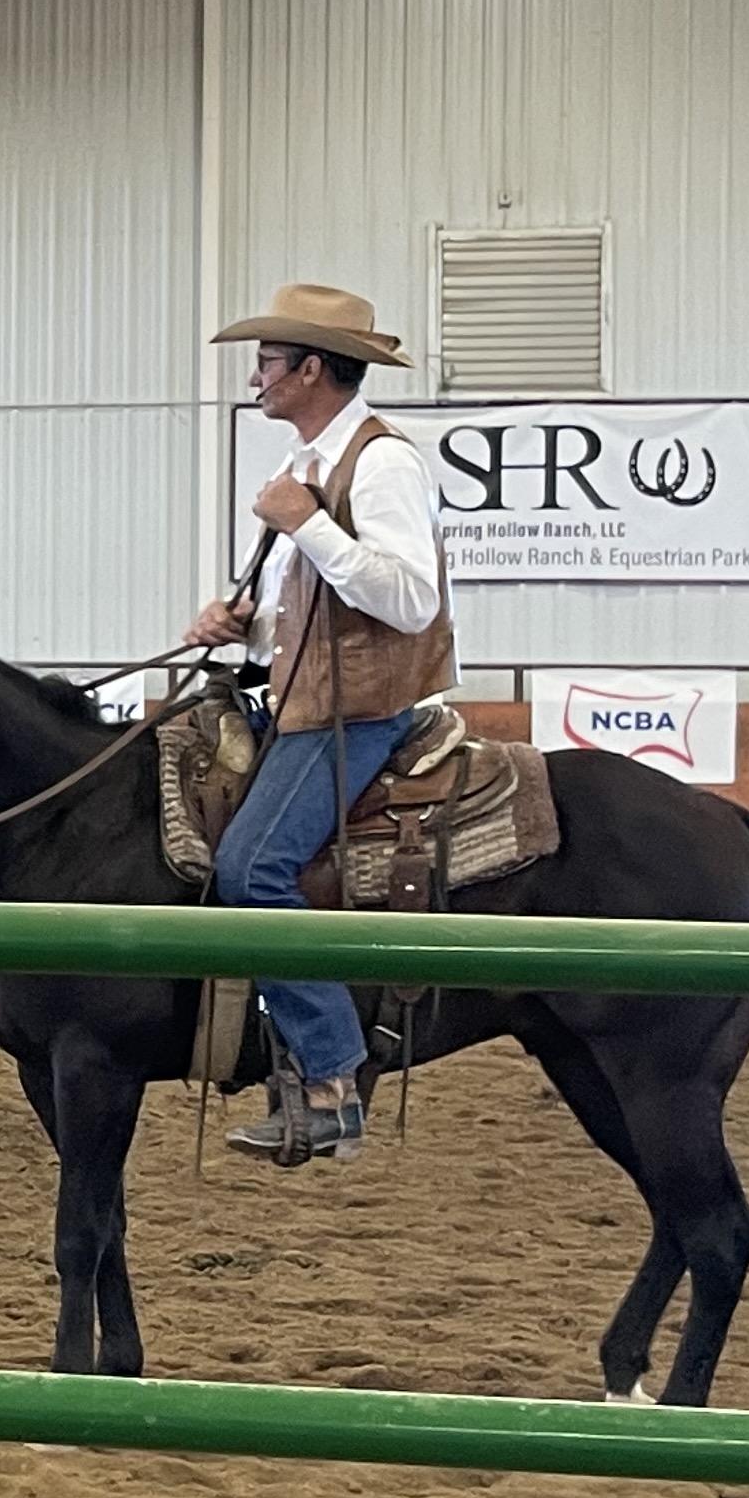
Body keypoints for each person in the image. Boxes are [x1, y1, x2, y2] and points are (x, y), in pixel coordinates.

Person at [182, 285, 453, 1167]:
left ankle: (334, 1076)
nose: (255, 376)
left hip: (358, 714)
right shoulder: (310, 466)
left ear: (309, 369)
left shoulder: (378, 465)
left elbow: (410, 601)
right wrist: (244, 627)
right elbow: (317, 615)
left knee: (252, 868)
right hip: (307, 703)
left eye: (267, 360)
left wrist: (310, 528)